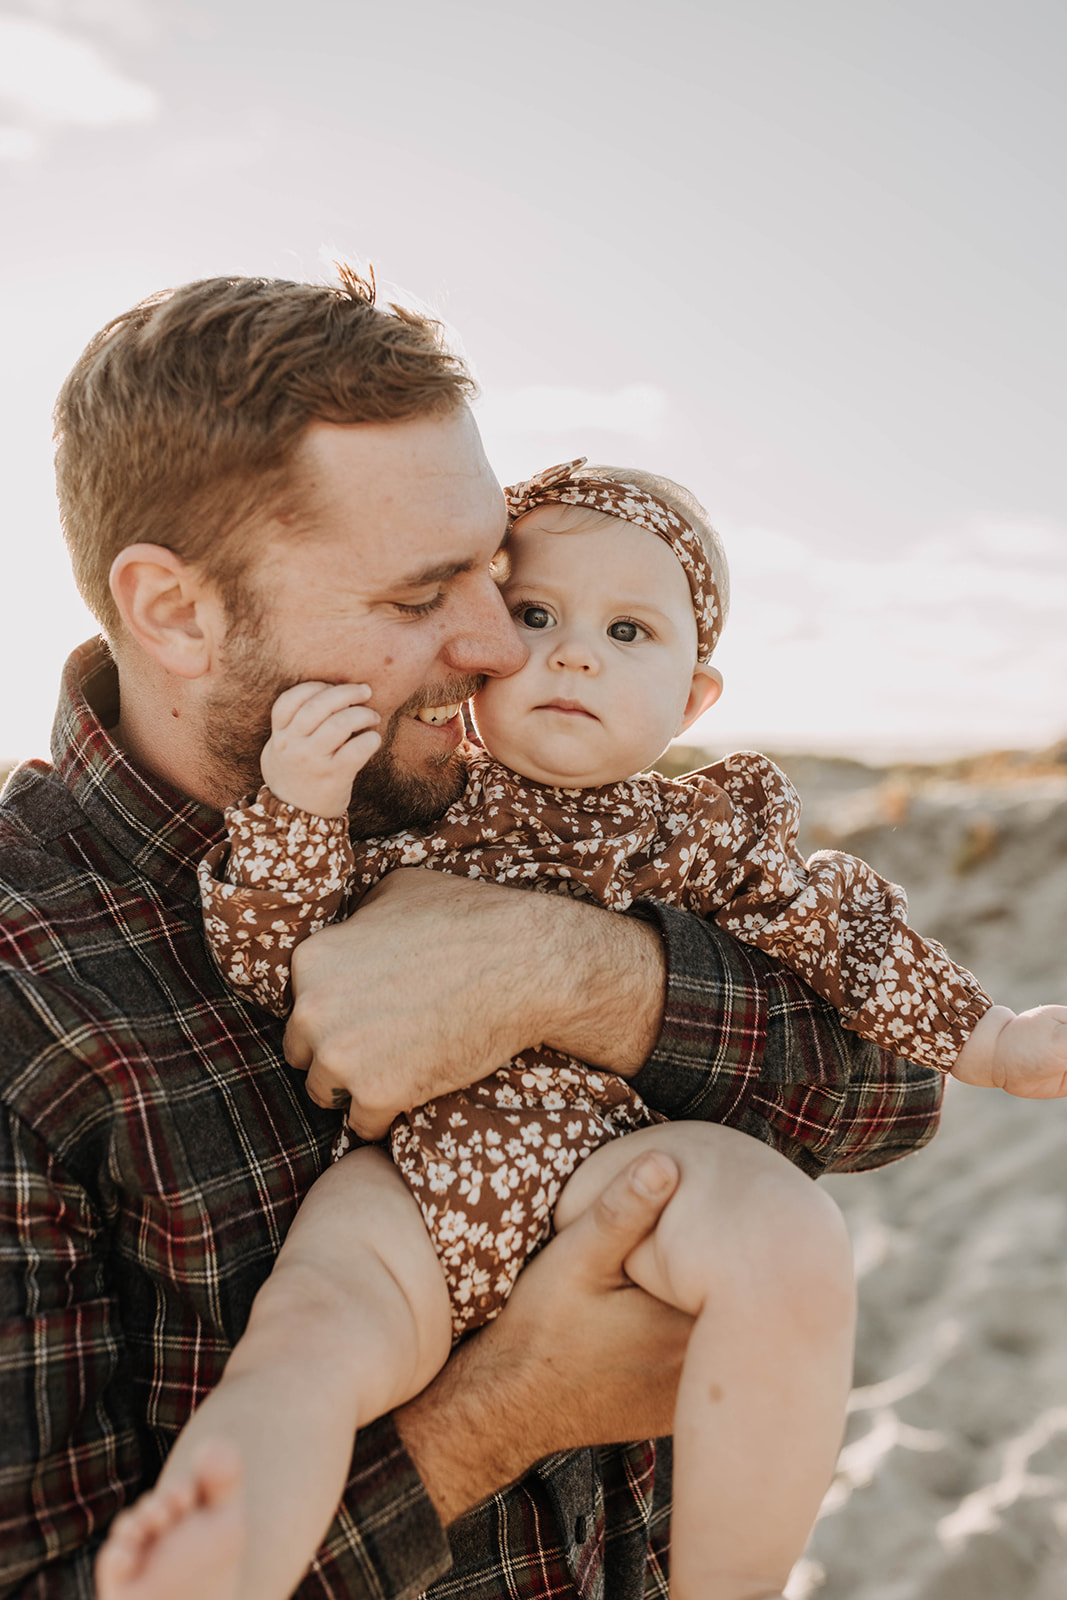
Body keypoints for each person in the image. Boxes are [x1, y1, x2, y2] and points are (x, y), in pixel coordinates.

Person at [0, 267, 945, 1600]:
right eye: (416, 598)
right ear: (175, 612)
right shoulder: (25, 992)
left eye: (494, 574)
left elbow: (886, 1099)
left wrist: (569, 974)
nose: (501, 646)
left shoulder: (508, 817)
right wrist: (507, 1412)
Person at [99, 457, 1067, 1600]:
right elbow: (269, 961)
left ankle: (732, 1582)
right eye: (538, 615)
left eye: (627, 632)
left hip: (612, 1162)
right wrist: (300, 810)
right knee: (311, 1327)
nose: (572, 654)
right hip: (409, 1173)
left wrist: (994, 1038)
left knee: (789, 1237)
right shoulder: (405, 792)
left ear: (693, 699)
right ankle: (220, 1529)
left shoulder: (704, 835)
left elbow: (846, 949)